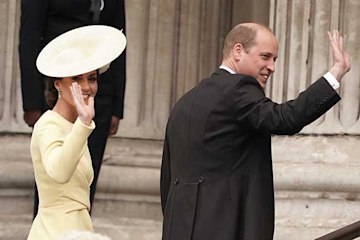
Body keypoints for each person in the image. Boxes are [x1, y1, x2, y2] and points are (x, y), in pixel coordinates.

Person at [160, 23, 351, 240]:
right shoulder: (238, 89)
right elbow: (285, 119)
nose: (272, 67)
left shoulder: (184, 103)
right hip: (224, 229)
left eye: (274, 60)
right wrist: (335, 73)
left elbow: (167, 177)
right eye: (266, 56)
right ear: (238, 51)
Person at [18, 0, 126, 217]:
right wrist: (31, 103)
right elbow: (30, 36)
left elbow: (118, 40)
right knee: (54, 178)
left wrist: (117, 105)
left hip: (99, 95)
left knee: (87, 177)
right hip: (56, 92)